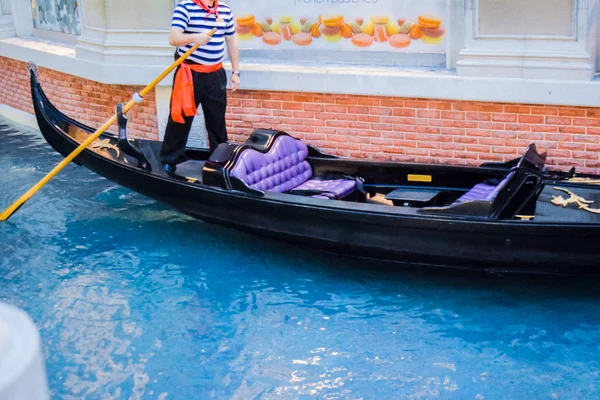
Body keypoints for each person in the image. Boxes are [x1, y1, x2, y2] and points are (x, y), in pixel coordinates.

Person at [161, 0, 240, 174]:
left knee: (217, 120)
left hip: (216, 74)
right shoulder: (185, 7)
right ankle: (170, 158)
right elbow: (173, 38)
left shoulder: (225, 11)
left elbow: (232, 42)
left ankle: (219, 163)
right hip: (190, 74)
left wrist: (236, 72)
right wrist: (194, 37)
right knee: (180, 118)